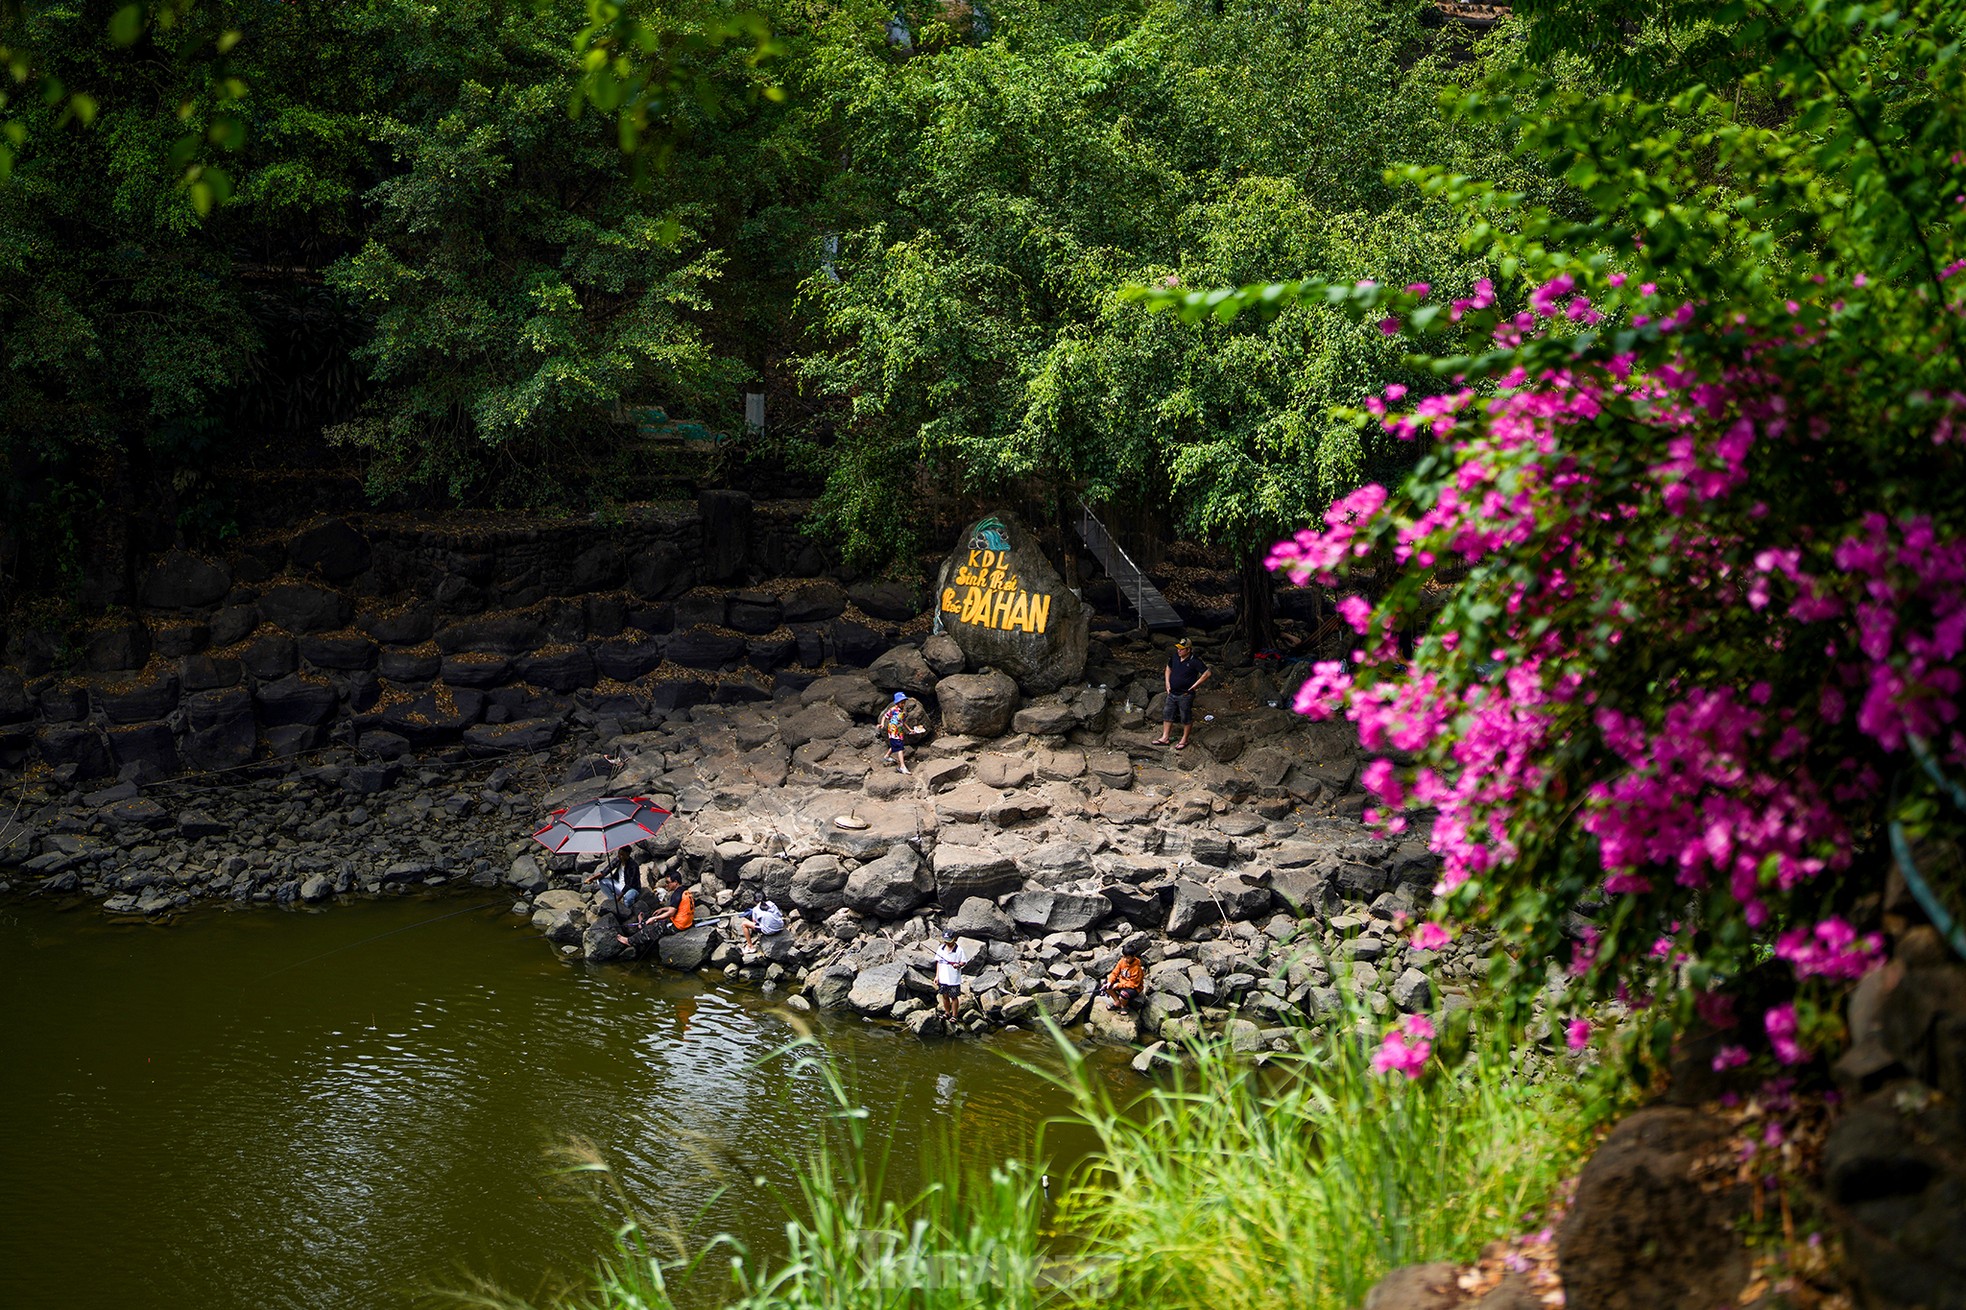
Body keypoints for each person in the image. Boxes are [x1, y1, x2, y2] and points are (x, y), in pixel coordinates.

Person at [1152, 637, 1211, 749]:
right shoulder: (1175, 658)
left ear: (1188, 650)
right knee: (1167, 713)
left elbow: (1207, 673)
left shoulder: (1194, 661)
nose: (1179, 651)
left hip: (1185, 694)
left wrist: (1195, 686)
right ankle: (1165, 737)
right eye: (1178, 648)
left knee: (1185, 716)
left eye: (1181, 649)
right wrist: (1167, 683)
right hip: (1172, 692)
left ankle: (1184, 739)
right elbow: (1168, 668)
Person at [617, 873, 694, 952]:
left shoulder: (676, 894)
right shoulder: (685, 891)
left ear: (675, 882)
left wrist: (654, 918)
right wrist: (663, 909)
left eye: (668, 882)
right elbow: (678, 907)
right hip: (686, 922)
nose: (666, 885)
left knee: (654, 927)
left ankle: (630, 941)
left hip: (678, 926)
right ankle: (642, 924)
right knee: (657, 919)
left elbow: (671, 913)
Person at [582, 848, 641, 916]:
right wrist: (592, 878)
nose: (619, 856)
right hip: (619, 885)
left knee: (628, 899)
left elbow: (629, 884)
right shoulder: (618, 860)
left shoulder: (633, 866)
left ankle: (627, 912)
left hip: (632, 888)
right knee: (601, 881)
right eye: (619, 854)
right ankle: (613, 901)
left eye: (622, 855)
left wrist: (618, 898)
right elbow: (605, 871)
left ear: (627, 855)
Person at [934, 929, 968, 1021]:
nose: (947, 943)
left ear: (955, 939)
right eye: (946, 941)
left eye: (949, 941)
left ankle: (954, 1015)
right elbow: (938, 962)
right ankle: (947, 1013)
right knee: (944, 995)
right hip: (943, 977)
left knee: (953, 997)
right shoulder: (941, 948)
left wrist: (958, 965)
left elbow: (964, 961)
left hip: (953, 978)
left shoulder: (959, 950)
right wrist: (937, 976)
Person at [1102, 945, 1147, 1012]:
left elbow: (1133, 984)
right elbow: (1115, 972)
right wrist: (1110, 982)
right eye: (1124, 957)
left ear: (1133, 956)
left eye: (1128, 958)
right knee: (1106, 985)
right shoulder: (1122, 961)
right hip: (1123, 982)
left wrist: (1118, 985)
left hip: (1134, 987)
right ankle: (1117, 1002)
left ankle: (1123, 1006)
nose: (1125, 959)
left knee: (1123, 995)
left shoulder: (1137, 968)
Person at [879, 691, 911, 773]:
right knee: (899, 748)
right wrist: (882, 724)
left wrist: (910, 729)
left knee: (896, 744)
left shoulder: (902, 712)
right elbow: (885, 716)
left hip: (899, 731)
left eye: (904, 702)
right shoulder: (893, 710)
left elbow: (903, 722)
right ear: (897, 702)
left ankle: (886, 756)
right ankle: (902, 766)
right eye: (901, 703)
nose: (903, 704)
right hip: (893, 731)